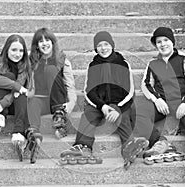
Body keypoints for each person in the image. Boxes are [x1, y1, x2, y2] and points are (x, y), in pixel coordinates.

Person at [123, 27, 185, 174]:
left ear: (172, 42)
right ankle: (159, 142)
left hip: (182, 102)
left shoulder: (184, 59)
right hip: (162, 104)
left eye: (166, 40)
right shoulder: (153, 63)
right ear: (156, 45)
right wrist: (157, 100)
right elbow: (145, 84)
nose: (163, 44)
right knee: (134, 111)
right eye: (159, 42)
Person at [59, 31, 149, 166]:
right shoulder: (93, 65)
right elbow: (89, 91)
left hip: (120, 103)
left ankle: (129, 146)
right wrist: (102, 106)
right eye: (99, 45)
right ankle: (83, 146)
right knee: (88, 115)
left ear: (112, 45)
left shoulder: (123, 63)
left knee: (123, 117)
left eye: (106, 44)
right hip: (99, 104)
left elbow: (129, 92)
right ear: (96, 48)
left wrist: (117, 108)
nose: (103, 48)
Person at [26, 27, 77, 164]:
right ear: (36, 45)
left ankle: (60, 118)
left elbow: (70, 84)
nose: (44, 44)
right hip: (41, 100)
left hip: (57, 101)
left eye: (47, 40)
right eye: (40, 41)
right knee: (33, 100)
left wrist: (71, 103)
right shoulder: (32, 61)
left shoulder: (62, 59)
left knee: (50, 70)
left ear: (53, 42)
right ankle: (34, 134)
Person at [0, 34, 30, 162]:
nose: (17, 54)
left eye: (21, 50)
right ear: (7, 50)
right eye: (14, 50)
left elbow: (21, 89)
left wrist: (4, 102)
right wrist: (15, 85)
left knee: (22, 94)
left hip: (14, 103)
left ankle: (18, 133)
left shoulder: (25, 65)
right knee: (8, 77)